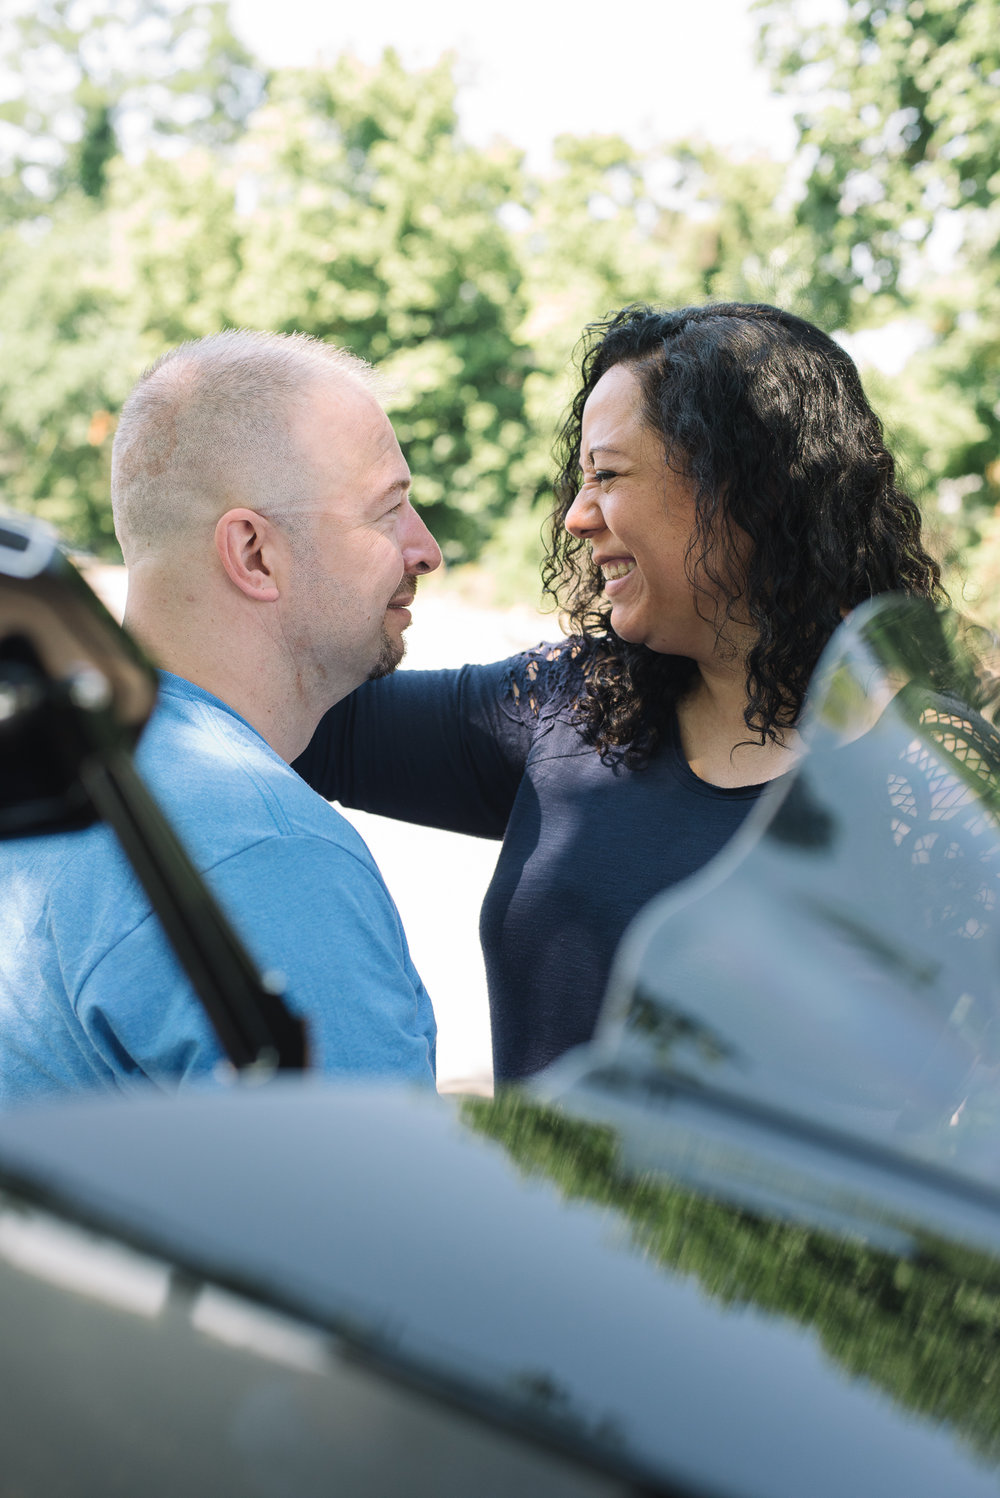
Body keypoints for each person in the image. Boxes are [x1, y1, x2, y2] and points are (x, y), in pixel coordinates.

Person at [294, 302, 945, 1081]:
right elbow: (292, 716)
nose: (575, 516)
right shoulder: (570, 704)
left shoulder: (937, 785)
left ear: (746, 488)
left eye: (607, 475)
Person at [0, 329, 443, 1106]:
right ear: (254, 554)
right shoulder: (263, 851)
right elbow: (375, 1217)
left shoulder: (53, 776)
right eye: (390, 510)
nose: (427, 548)